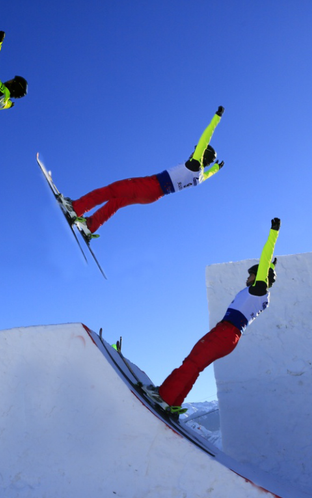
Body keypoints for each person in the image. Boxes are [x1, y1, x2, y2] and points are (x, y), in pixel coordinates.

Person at [151, 218, 281, 414]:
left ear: (260, 276)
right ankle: (174, 401)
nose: (248, 277)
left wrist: (273, 233)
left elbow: (265, 257)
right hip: (229, 336)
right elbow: (266, 265)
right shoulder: (262, 295)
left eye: (251, 274)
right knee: (195, 365)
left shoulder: (258, 288)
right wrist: (271, 266)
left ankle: (164, 397)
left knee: (193, 362)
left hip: (225, 332)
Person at [64, 106, 225, 239]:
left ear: (203, 155)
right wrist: (216, 168)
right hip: (154, 196)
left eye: (197, 150)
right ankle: (90, 226)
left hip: (151, 185)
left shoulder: (195, 163)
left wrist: (216, 118)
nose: (193, 152)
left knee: (111, 190)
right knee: (117, 202)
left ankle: (76, 208)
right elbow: (210, 174)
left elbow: (206, 137)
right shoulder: (200, 176)